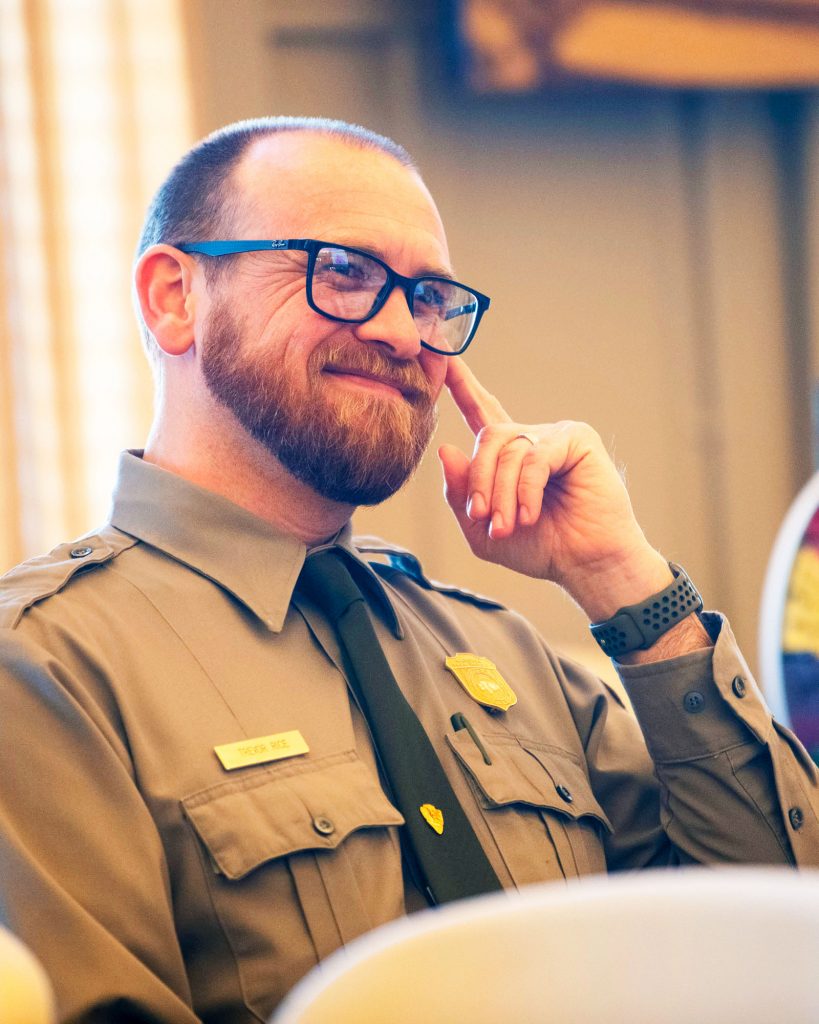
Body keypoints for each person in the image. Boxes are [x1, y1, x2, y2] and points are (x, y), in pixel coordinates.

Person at [0, 115, 817, 1024]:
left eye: (429, 297)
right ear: (173, 297)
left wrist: (625, 584)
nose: (401, 332)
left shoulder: (504, 652)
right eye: (344, 272)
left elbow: (767, 946)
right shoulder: (41, 670)